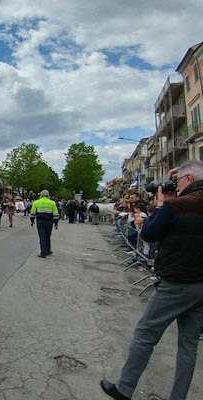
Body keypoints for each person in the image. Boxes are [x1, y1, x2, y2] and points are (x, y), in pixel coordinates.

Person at [100, 160, 203, 400]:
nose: (173, 186)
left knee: (145, 335)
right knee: (188, 345)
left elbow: (148, 233)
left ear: (188, 180)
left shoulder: (175, 206)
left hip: (175, 282)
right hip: (200, 285)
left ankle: (124, 388)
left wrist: (161, 202)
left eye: (177, 181)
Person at [30, 190, 59, 258]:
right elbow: (55, 214)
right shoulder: (52, 203)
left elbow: (32, 212)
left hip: (40, 221)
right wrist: (56, 223)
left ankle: (43, 252)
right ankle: (48, 250)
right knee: (48, 236)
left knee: (42, 236)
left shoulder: (36, 202)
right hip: (49, 221)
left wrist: (32, 221)